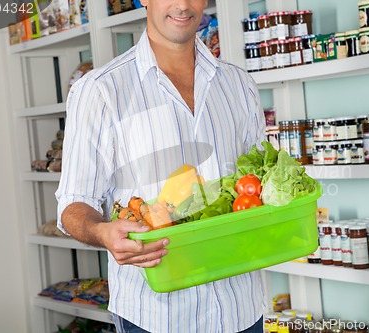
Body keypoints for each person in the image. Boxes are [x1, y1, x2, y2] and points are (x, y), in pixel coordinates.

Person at [55, 0, 267, 332]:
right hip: (155, 316)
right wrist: (102, 232)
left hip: (241, 307)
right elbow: (72, 204)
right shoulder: (100, 91)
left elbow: (258, 183)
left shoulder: (239, 86)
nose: (182, 5)